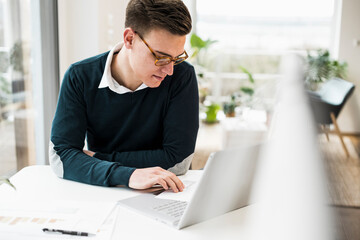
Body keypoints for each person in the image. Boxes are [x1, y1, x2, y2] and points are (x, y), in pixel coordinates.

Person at [49, 0, 199, 193]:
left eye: (176, 58)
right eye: (161, 57)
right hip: (103, 192)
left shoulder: (181, 76)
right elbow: (61, 157)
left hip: (167, 193)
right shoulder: (80, 77)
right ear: (129, 39)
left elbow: (179, 161)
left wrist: (95, 159)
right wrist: (127, 175)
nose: (169, 70)